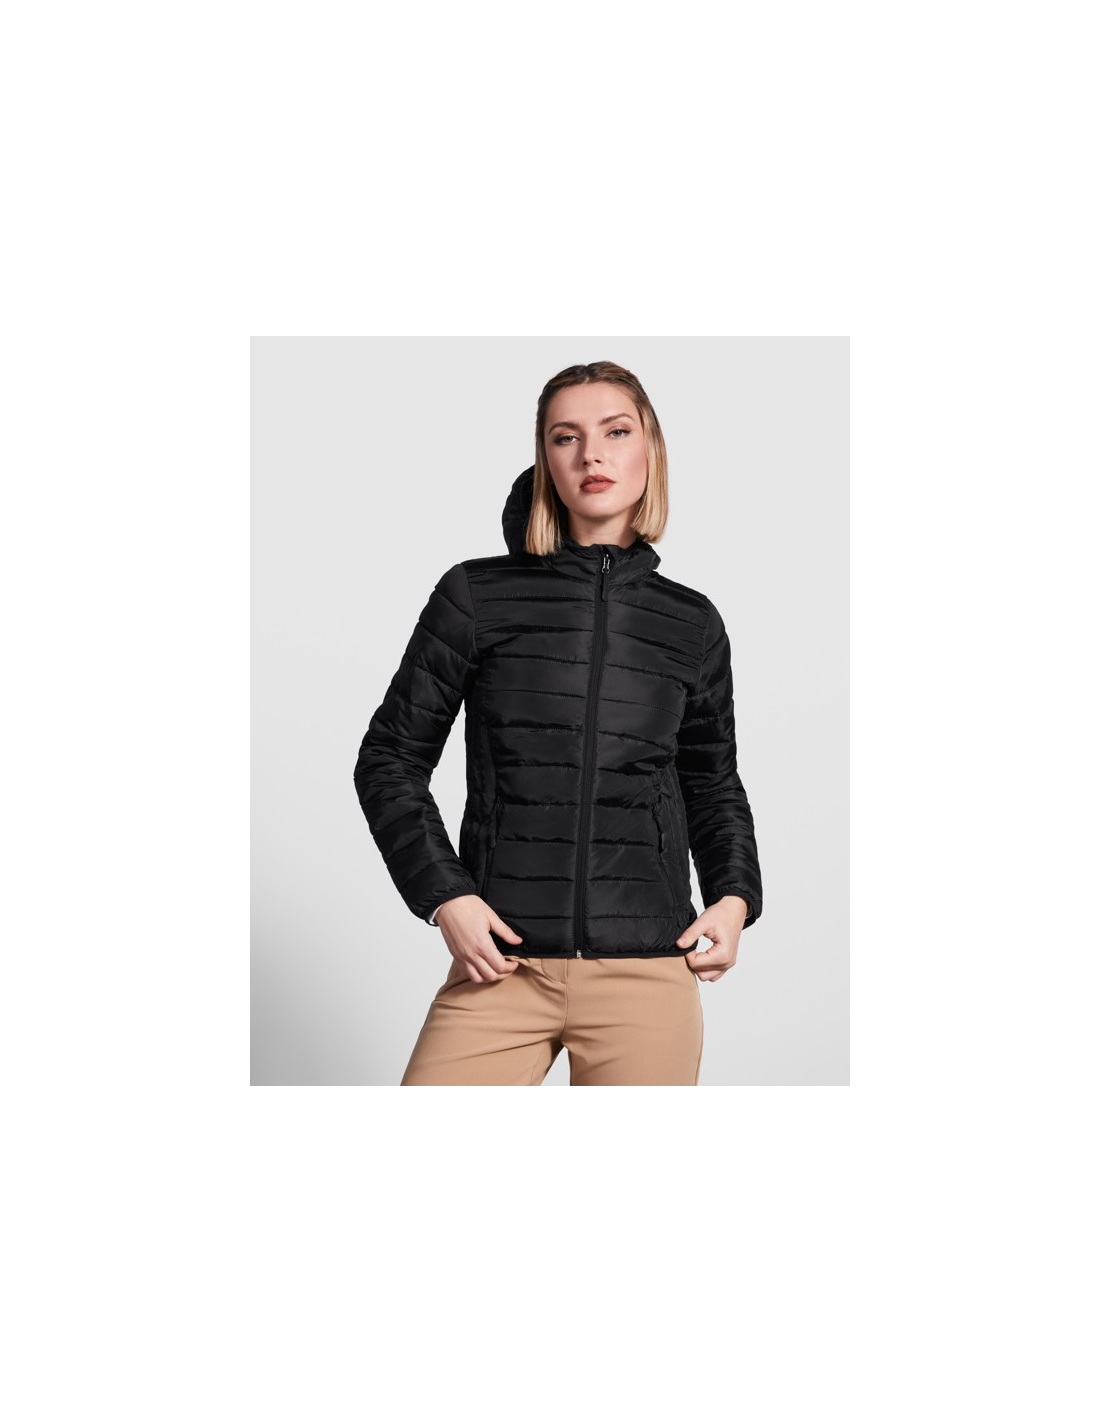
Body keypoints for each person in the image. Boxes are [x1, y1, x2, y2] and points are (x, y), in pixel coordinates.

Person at [354, 360, 763, 1085]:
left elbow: (712, 782)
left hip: (647, 970)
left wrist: (734, 897)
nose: (591, 455)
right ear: (545, 459)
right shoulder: (476, 595)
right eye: (565, 437)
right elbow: (389, 760)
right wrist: (446, 897)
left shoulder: (692, 623)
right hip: (502, 964)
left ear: (651, 450)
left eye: (616, 432)